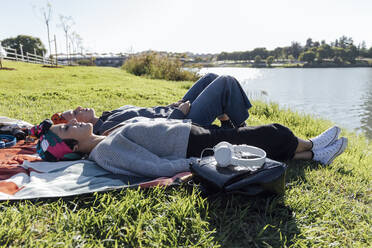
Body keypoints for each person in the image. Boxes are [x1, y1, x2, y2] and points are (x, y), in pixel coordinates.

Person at [30, 118, 348, 178]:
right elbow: (153, 167)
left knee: (260, 143)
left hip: (191, 131)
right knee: (271, 132)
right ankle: (311, 145)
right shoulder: (105, 152)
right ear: (72, 144)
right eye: (68, 128)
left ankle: (313, 156)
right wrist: (199, 161)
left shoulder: (102, 138)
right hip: (196, 144)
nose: (73, 121)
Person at [51, 73, 252, 134]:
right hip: (181, 124)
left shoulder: (106, 116)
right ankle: (241, 131)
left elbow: (147, 114)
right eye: (74, 113)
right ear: (76, 126)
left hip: (171, 112)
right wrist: (178, 115)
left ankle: (229, 123)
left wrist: (169, 107)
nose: (79, 108)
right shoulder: (108, 129)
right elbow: (149, 133)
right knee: (226, 82)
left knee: (210, 78)